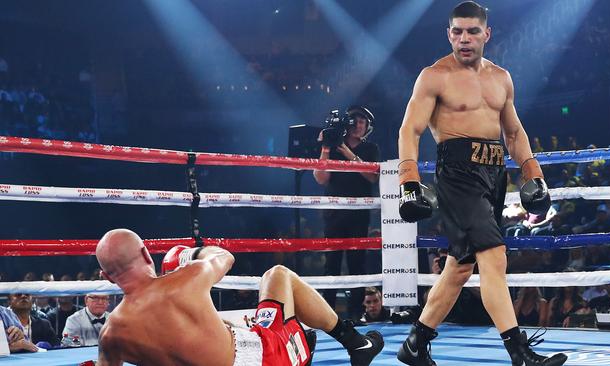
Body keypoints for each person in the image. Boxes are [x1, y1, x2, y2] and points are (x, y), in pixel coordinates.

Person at [395, 2, 567, 365]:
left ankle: (415, 343)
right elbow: (409, 129)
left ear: (486, 33)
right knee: (494, 258)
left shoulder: (501, 77)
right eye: (457, 31)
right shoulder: (434, 76)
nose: (464, 38)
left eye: (472, 31)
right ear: (448, 34)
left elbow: (513, 130)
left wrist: (532, 172)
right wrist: (409, 179)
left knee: (460, 265)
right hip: (457, 174)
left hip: (494, 174)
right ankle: (519, 353)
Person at [92, 229, 383, 366]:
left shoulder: (111, 335)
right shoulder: (184, 280)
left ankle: (298, 338)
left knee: (257, 321)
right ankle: (357, 344)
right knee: (278, 275)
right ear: (145, 253)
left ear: (106, 277)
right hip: (265, 358)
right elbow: (224, 257)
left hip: (251, 343)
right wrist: (188, 254)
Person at [313, 105, 380, 318]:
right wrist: (326, 147)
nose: (358, 125)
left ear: (367, 126)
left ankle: (356, 313)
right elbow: (321, 179)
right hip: (334, 212)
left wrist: (346, 152)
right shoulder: (332, 147)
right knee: (331, 264)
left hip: (359, 213)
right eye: (355, 121)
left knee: (356, 263)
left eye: (363, 122)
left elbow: (372, 177)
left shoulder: (370, 149)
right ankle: (327, 314)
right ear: (348, 123)